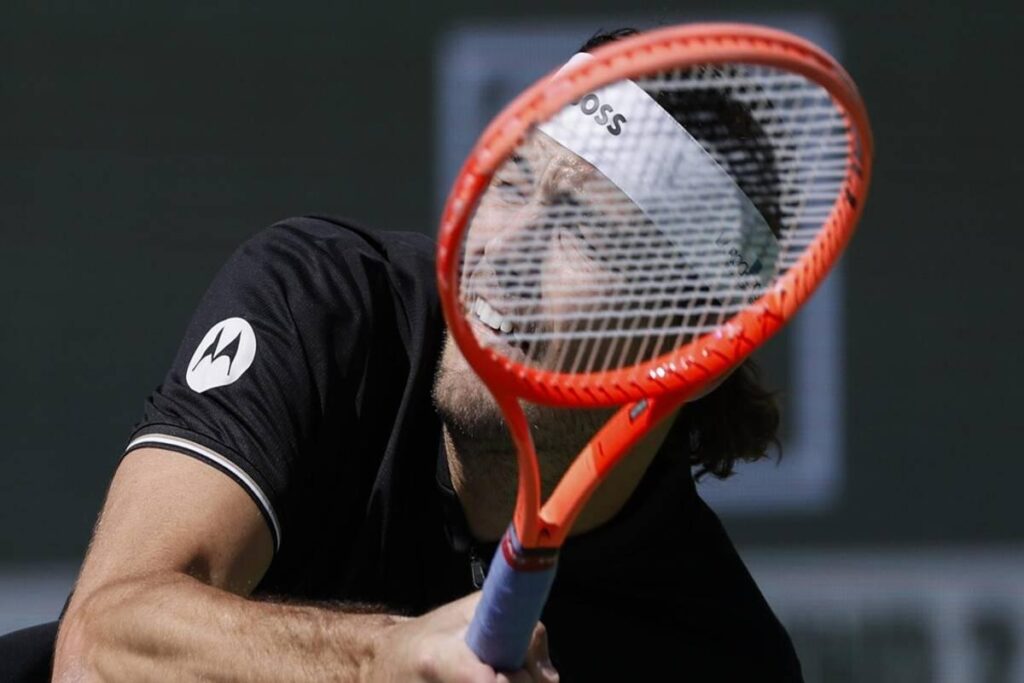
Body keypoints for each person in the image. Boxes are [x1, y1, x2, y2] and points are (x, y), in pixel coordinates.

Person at [2, 30, 803, 682]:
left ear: (699, 349)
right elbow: (100, 647)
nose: (504, 248)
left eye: (584, 228)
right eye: (511, 183)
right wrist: (378, 658)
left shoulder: (725, 659)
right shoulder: (323, 303)